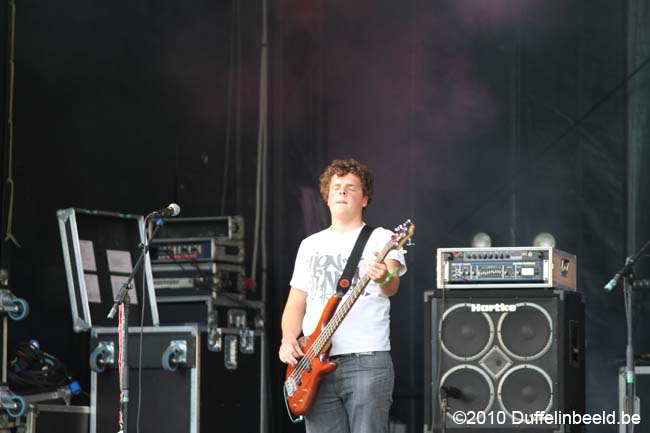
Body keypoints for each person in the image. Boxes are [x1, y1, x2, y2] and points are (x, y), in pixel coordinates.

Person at [279, 158, 406, 433]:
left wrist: (383, 276)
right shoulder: (309, 245)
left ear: (365, 199)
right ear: (326, 197)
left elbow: (392, 286)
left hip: (366, 359)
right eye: (336, 188)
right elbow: (296, 303)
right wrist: (288, 339)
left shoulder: (382, 238)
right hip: (312, 363)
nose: (342, 192)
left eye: (351, 188)